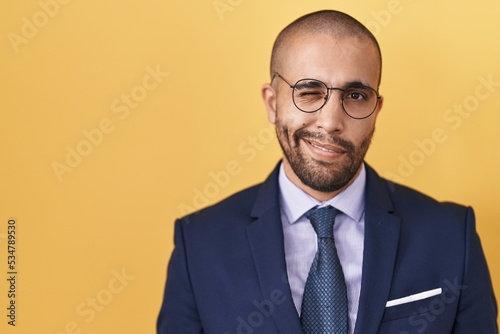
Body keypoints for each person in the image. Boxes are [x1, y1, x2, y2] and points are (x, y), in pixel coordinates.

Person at [157, 9, 497, 334]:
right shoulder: (199, 244)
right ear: (272, 103)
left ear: (376, 109)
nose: (332, 122)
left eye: (355, 95)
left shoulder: (452, 237)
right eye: (309, 92)